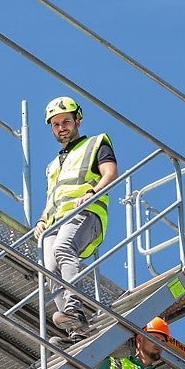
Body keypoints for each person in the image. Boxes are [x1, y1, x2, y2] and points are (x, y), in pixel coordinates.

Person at [31, 97, 118, 334]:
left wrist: (93, 192)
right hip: (55, 222)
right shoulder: (53, 165)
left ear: (77, 120)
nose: (62, 128)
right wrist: (41, 220)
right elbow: (53, 198)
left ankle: (74, 310)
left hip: (85, 212)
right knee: (48, 267)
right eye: (56, 124)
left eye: (66, 121)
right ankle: (75, 330)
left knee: (63, 249)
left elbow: (110, 173)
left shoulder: (96, 143)